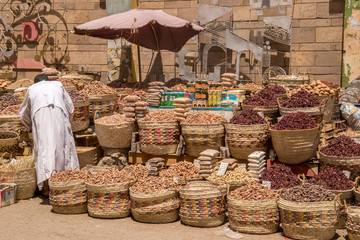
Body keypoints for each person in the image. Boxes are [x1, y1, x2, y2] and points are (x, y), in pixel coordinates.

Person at [19, 74, 79, 196]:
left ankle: (47, 188)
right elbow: (70, 107)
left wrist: (29, 125)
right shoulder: (58, 85)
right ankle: (65, 184)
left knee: (44, 151)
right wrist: (68, 122)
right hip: (59, 116)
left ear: (35, 82)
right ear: (47, 80)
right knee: (62, 148)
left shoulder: (32, 89)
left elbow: (23, 112)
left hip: (41, 119)